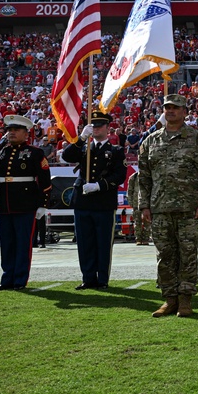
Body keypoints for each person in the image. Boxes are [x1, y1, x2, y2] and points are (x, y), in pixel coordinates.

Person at [137, 94, 198, 318]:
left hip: (189, 209)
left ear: (185, 112)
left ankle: (185, 300)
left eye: (175, 108)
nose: (170, 111)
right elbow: (144, 178)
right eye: (167, 107)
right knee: (165, 256)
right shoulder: (150, 141)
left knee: (188, 254)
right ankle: (169, 299)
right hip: (159, 208)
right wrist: (144, 206)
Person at [0, 114, 51, 291]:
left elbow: (45, 181)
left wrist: (42, 204)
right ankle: (7, 278)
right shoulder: (1, 152)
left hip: (25, 205)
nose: (12, 133)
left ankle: (20, 279)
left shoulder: (35, 153)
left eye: (16, 130)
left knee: (23, 244)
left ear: (26, 133)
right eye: (9, 130)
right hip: (3, 204)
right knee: (7, 244)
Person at [60, 110, 128, 290]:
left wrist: (99, 185)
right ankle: (88, 278)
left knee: (103, 242)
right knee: (84, 242)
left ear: (107, 128)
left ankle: (102, 279)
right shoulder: (83, 148)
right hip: (83, 201)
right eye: (93, 126)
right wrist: (81, 138)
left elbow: (120, 176)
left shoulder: (115, 150)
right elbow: (67, 156)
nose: (96, 129)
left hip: (103, 202)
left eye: (99, 126)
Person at [126, 169, 150, 245]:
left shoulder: (148, 176)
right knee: (137, 222)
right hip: (136, 203)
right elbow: (130, 190)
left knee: (147, 222)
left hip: (147, 203)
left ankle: (146, 239)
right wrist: (131, 203)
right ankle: (138, 239)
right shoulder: (134, 177)